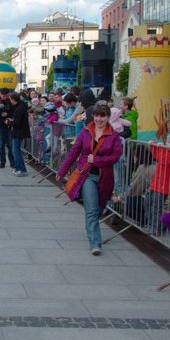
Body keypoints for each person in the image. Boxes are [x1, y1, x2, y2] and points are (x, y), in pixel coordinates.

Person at [55, 103, 122, 256]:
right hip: (87, 176)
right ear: (93, 116)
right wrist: (62, 170)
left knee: (98, 209)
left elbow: (115, 156)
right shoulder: (86, 132)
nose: (99, 119)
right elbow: (74, 152)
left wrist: (97, 160)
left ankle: (92, 228)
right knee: (91, 210)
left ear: (107, 117)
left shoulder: (113, 135)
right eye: (96, 115)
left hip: (105, 178)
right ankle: (95, 243)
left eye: (102, 116)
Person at [8, 92, 31, 176]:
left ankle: (21, 169)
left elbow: (17, 122)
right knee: (16, 151)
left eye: (10, 99)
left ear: (13, 99)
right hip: (18, 132)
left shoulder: (20, 108)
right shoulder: (19, 107)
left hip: (19, 132)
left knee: (16, 151)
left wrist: (9, 122)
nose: (10, 101)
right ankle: (18, 168)